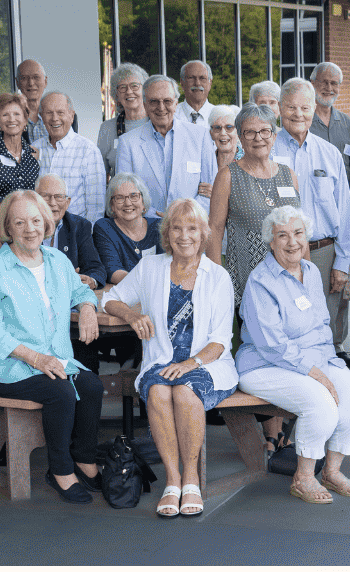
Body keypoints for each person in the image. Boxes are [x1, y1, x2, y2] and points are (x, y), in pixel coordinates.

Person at [100, 199, 238, 518]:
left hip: (206, 364)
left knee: (185, 391)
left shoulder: (217, 277)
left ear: (203, 234)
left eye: (192, 228)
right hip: (160, 362)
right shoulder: (151, 267)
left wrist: (189, 365)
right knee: (159, 391)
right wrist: (133, 317)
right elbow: (111, 299)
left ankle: (191, 479)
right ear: (167, 233)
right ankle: (172, 481)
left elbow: (220, 341)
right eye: (176, 227)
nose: (184, 235)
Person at [0, 190, 106, 504]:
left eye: (35, 220)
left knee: (91, 386)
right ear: (8, 226)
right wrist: (36, 358)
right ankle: (59, 470)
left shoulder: (58, 261)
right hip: (4, 366)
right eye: (20, 222)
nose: (30, 229)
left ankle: (84, 458)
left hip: (54, 360)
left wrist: (87, 309)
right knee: (59, 391)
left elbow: (83, 293)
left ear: (46, 222)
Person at [235, 206, 350, 504]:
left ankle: (331, 472)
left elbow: (322, 324)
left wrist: (328, 365)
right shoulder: (261, 281)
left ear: (307, 238)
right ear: (271, 242)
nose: (291, 242)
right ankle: (303, 478)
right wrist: (317, 374)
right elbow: (272, 344)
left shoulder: (310, 270)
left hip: (314, 359)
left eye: (298, 233)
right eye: (282, 235)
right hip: (264, 364)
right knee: (321, 404)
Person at [274, 78, 350, 365]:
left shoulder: (329, 153)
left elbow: (344, 211)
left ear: (314, 109)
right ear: (279, 109)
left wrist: (342, 263)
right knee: (285, 325)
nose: (298, 114)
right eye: (291, 107)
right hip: (278, 253)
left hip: (323, 254)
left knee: (323, 329)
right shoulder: (267, 150)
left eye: (305, 108)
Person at [207, 104, 301, 297]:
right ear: (241, 138)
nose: (258, 138)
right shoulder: (228, 176)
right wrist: (216, 279)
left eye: (265, 131)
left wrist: (305, 273)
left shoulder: (288, 175)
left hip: (288, 277)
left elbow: (301, 230)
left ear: (274, 136)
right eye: (250, 132)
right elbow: (214, 231)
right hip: (247, 280)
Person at [117, 75, 215, 214]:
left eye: (167, 101)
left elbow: (211, 190)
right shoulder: (127, 143)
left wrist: (183, 215)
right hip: (147, 226)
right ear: (144, 104)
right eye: (154, 101)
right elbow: (124, 192)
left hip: (192, 224)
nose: (161, 107)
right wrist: (153, 215)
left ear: (176, 103)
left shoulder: (201, 136)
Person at [0, 93, 39, 251]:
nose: (11, 119)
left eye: (17, 114)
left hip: (27, 232)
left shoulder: (34, 154)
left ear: (25, 119)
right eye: (5, 114)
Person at [33, 91, 107, 221]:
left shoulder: (88, 151)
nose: (54, 118)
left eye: (60, 113)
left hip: (75, 235)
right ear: (41, 117)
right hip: (40, 233)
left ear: (71, 116)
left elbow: (96, 207)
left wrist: (87, 238)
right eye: (49, 113)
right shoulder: (34, 148)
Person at [37, 173, 108, 289]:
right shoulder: (25, 226)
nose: (52, 203)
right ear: (35, 199)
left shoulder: (79, 226)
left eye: (59, 196)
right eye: (45, 196)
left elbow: (95, 268)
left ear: (67, 202)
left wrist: (91, 281)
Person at [96, 173, 161, 286]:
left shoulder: (159, 227)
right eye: (119, 198)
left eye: (134, 196)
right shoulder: (104, 228)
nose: (127, 203)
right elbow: (114, 272)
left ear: (143, 201)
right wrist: (148, 284)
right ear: (112, 205)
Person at [98, 63, 149, 173]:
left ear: (145, 90)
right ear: (117, 95)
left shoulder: (157, 123)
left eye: (134, 86)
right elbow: (101, 173)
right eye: (122, 87)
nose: (129, 91)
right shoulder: (107, 128)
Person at [309, 62, 350, 153]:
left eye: (334, 83)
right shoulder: (302, 121)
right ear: (312, 83)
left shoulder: (347, 123)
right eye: (324, 82)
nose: (329, 88)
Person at [176, 60, 217, 125]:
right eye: (191, 78)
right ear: (182, 83)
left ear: (210, 83)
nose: (197, 83)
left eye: (202, 78)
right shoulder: (171, 116)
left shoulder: (220, 116)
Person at [13, 59, 48, 124]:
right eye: (24, 78)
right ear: (17, 83)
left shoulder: (57, 117)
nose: (31, 83)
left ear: (45, 81)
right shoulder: (9, 118)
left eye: (36, 77)